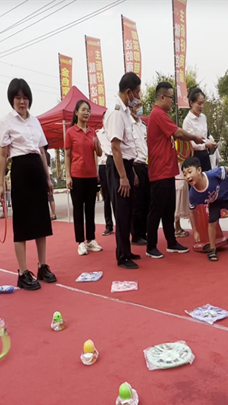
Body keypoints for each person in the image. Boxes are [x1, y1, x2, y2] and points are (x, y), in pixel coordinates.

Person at [0, 78, 56, 290]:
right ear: (11, 100)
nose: (22, 102)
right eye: (17, 98)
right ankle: (22, 273)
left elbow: (42, 151)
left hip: (37, 170)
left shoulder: (35, 122)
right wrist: (1, 184)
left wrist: (48, 178)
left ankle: (42, 266)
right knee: (21, 223)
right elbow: (2, 154)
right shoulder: (6, 122)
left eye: (25, 97)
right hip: (20, 170)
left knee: (41, 221)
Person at [145, 81, 203, 259]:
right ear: (162, 97)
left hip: (168, 170)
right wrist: (194, 137)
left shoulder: (161, 114)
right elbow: (177, 133)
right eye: (171, 98)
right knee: (157, 209)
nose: (173, 101)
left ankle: (171, 242)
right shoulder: (157, 114)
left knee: (168, 209)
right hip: (159, 171)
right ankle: (151, 246)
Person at [104, 72, 142, 269]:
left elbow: (127, 148)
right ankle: (122, 256)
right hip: (117, 166)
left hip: (126, 165)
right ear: (128, 92)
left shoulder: (126, 111)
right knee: (121, 211)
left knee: (128, 210)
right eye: (137, 92)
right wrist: (123, 177)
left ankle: (127, 250)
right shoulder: (117, 112)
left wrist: (131, 172)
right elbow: (116, 147)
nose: (138, 97)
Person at [64, 100, 103, 255]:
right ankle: (80, 242)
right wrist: (68, 176)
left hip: (91, 175)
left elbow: (99, 153)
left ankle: (91, 239)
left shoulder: (92, 132)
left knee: (90, 209)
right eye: (83, 110)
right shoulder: (70, 132)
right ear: (76, 112)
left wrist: (97, 145)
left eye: (88, 110)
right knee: (78, 210)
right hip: (77, 176)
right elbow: (67, 155)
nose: (86, 113)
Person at [183, 88, 217, 171]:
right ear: (191, 103)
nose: (201, 106)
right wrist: (206, 145)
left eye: (203, 103)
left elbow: (205, 137)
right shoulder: (187, 121)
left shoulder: (203, 117)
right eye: (199, 103)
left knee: (208, 177)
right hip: (194, 157)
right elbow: (192, 144)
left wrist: (211, 143)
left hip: (205, 155)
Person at [130, 100, 149, 246]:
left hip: (146, 164)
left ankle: (144, 232)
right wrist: (132, 172)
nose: (139, 108)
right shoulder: (128, 125)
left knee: (146, 201)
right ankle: (136, 235)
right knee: (136, 202)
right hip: (135, 165)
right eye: (137, 106)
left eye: (141, 105)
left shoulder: (143, 125)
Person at [96, 119, 114, 236]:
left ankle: (123, 225)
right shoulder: (98, 134)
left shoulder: (114, 131)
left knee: (118, 196)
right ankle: (109, 225)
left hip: (115, 164)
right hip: (103, 166)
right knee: (106, 198)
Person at [45, 149, 56, 219]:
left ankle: (53, 214)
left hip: (46, 177)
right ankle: (53, 214)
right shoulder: (48, 154)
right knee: (50, 197)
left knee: (50, 197)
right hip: (49, 177)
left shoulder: (43, 154)